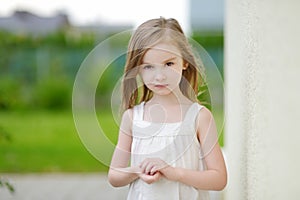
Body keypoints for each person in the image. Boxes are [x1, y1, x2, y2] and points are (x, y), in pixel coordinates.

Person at [108, 17, 227, 200]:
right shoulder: (132, 117)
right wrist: (138, 170)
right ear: (137, 69)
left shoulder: (199, 117)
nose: (159, 76)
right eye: (148, 66)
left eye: (169, 64)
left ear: (185, 62)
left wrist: (173, 172)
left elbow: (219, 179)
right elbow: (114, 176)